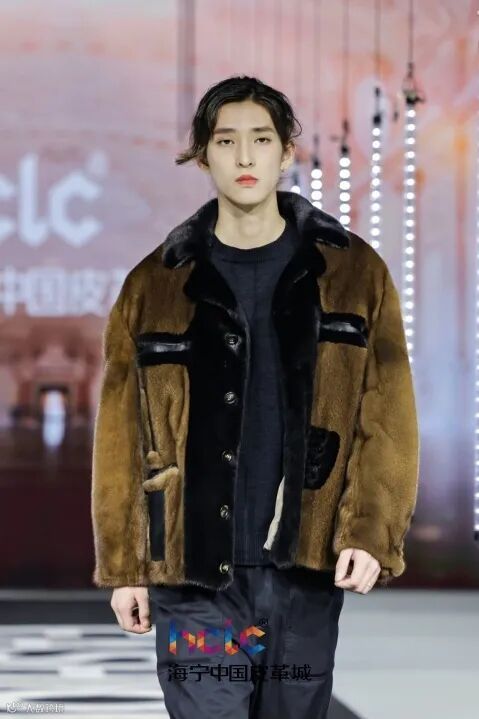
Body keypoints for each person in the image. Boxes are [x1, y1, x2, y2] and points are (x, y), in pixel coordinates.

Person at [91, 75, 420, 718]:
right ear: (202, 155)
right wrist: (125, 565)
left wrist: (371, 531)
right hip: (191, 577)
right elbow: (120, 434)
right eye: (226, 140)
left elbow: (388, 415)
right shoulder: (155, 284)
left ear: (287, 150)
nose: (244, 156)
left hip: (305, 572)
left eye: (261, 139)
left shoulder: (354, 273)